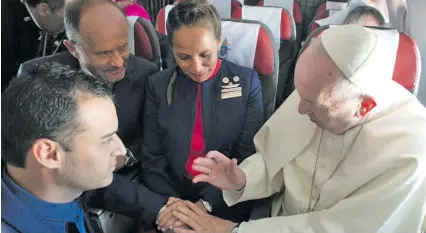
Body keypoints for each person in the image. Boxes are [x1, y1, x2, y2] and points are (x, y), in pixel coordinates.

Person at [172, 25, 426, 233]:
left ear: (364, 107)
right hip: (273, 219)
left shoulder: (412, 148)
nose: (299, 110)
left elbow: (344, 227)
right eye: (299, 95)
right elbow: (274, 159)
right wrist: (243, 180)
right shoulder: (316, 87)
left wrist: (234, 231)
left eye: (313, 104)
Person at [1, 62, 181, 233]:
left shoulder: (58, 184)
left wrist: (165, 210)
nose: (122, 151)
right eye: (106, 140)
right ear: (49, 154)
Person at [140, 0, 264, 230]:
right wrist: (173, 207)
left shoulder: (246, 82)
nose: (196, 67)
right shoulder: (157, 85)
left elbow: (246, 155)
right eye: (183, 57)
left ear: (219, 43)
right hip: (170, 199)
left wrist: (203, 205)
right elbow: (152, 157)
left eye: (205, 54)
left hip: (224, 200)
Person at [20, 0, 159, 169]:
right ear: (73, 49)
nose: (117, 62)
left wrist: (126, 158)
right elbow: (27, 151)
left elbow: (151, 145)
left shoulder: (147, 74)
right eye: (103, 53)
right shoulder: (36, 77)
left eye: (123, 47)